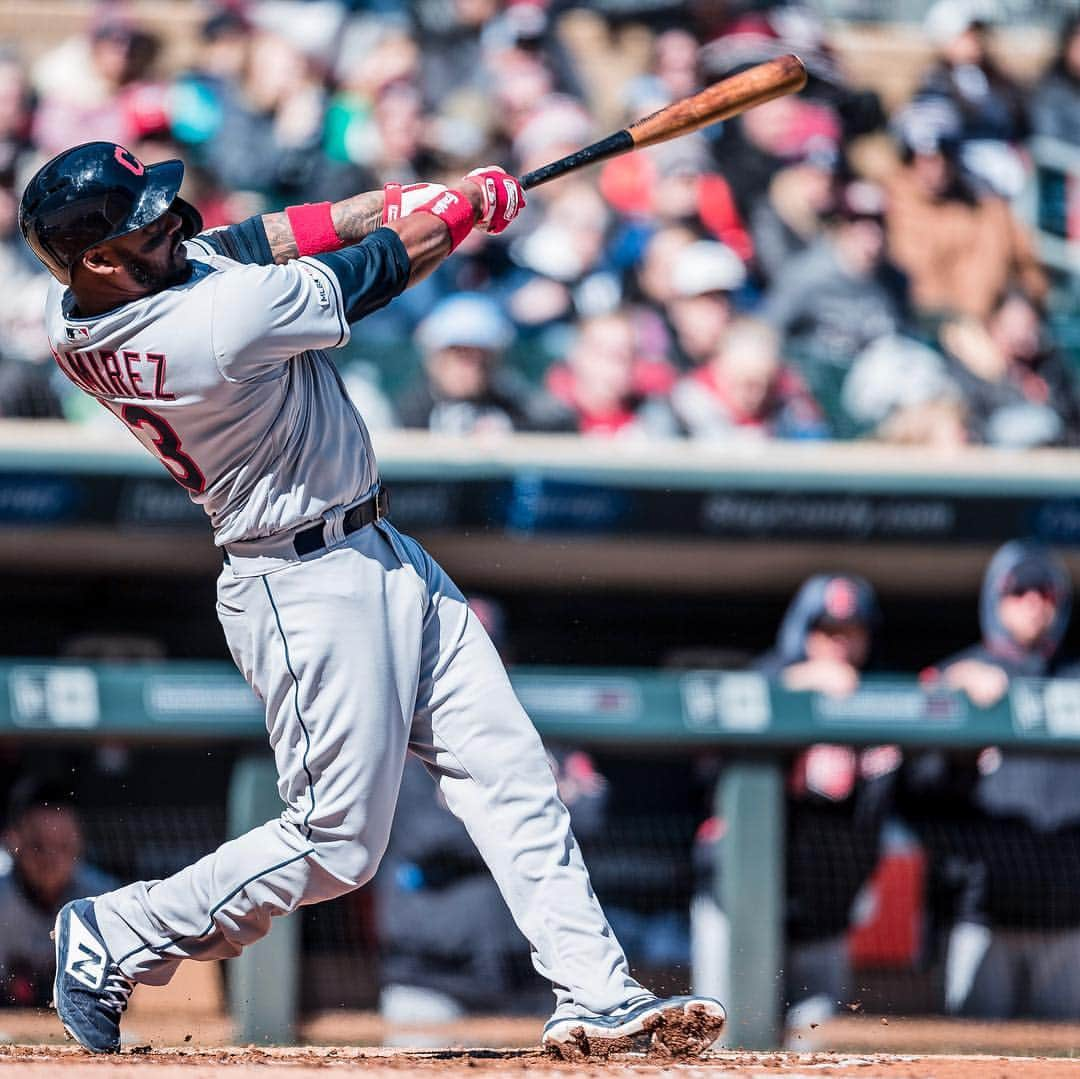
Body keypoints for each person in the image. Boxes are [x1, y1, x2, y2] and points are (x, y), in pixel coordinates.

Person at [21, 141, 725, 1058]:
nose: (170, 223)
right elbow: (377, 268)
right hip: (301, 581)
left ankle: (595, 989)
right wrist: (464, 209)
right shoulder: (211, 327)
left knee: (510, 770)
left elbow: (262, 235)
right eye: (142, 225)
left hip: (377, 549)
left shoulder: (79, 303)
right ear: (104, 260)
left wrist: (398, 196)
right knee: (336, 844)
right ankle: (121, 930)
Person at [693, 575, 898, 1036]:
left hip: (824, 919)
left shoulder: (880, 697)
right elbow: (711, 738)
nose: (840, 644)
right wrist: (797, 685)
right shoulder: (768, 680)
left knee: (819, 1049)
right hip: (741, 918)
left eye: (852, 631)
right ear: (803, 633)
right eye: (827, 631)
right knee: (732, 1044)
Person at [902, 541, 1080, 1019]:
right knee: (971, 1055)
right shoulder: (957, 675)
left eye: (1046, 591)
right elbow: (912, 792)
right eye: (1020, 590)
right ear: (996, 598)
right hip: (981, 919)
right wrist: (955, 710)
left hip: (1068, 925)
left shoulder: (1073, 679)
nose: (1034, 602)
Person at [0, 778, 114, 1007]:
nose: (51, 859)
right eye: (38, 846)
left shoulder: (103, 899)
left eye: (63, 846)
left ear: (80, 843)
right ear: (13, 840)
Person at [397, 293, 573, 435]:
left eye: (479, 356)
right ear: (435, 358)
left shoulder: (509, 399)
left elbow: (555, 421)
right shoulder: (412, 408)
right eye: (458, 354)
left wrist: (508, 428)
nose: (468, 366)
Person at [669, 317, 828, 442]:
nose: (756, 395)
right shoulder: (682, 407)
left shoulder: (786, 402)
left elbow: (813, 443)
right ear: (719, 369)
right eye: (746, 384)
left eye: (764, 384)